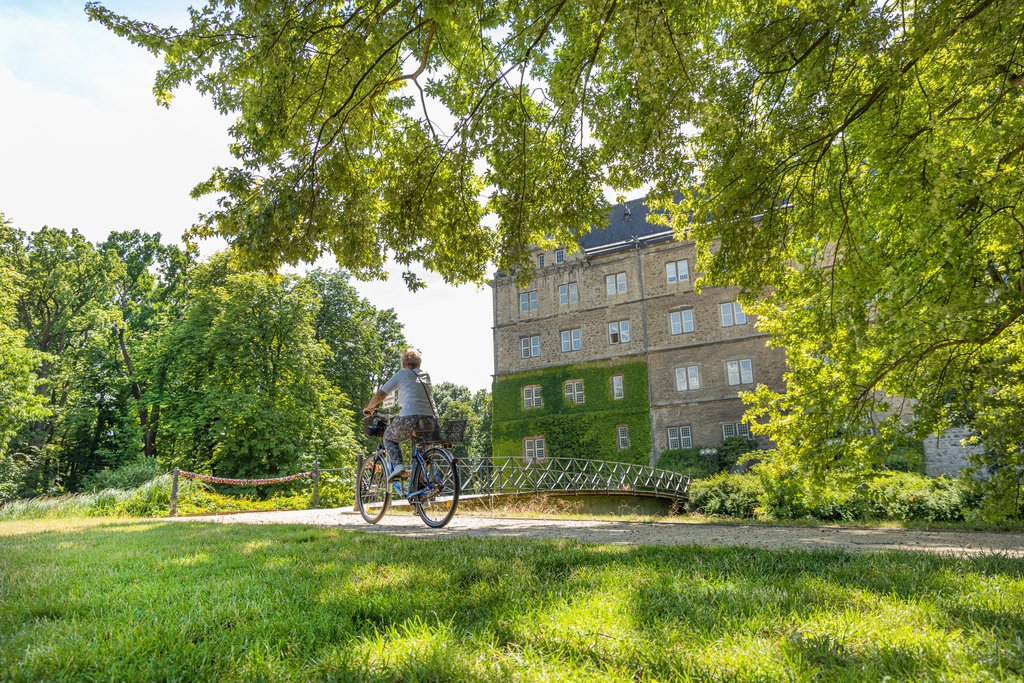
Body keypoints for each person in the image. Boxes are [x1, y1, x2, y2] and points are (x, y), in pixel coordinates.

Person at [363, 348, 438, 480]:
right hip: (431, 419)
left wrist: (369, 408)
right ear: (419, 364)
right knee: (422, 454)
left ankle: (398, 467)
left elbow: (380, 395)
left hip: (410, 416)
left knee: (389, 437)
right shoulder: (426, 375)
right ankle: (420, 486)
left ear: (404, 364)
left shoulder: (402, 375)